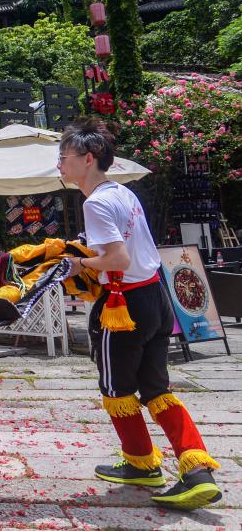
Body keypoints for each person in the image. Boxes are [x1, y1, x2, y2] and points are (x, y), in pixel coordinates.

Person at [58, 119, 222, 510]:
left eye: (64, 157)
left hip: (123, 305)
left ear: (89, 158)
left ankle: (142, 463)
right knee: (156, 388)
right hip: (154, 295)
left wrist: (78, 265)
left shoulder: (95, 201)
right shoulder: (122, 193)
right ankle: (197, 469)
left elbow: (117, 258)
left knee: (117, 390)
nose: (60, 165)